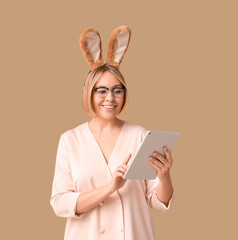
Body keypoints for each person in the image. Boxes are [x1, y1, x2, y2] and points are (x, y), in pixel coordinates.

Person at [50, 26, 175, 240]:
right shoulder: (70, 140)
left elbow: (159, 202)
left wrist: (164, 176)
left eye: (118, 90)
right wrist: (110, 188)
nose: (110, 98)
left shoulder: (139, 135)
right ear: (89, 93)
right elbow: (60, 203)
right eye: (102, 90)